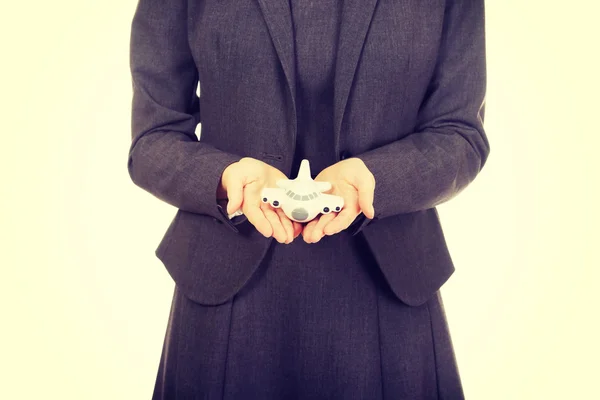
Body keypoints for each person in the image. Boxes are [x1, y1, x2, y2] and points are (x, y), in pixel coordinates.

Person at [128, 0, 489, 398]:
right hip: (226, 295)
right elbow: (152, 139)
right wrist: (226, 177)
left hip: (389, 291)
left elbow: (460, 135)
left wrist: (377, 178)